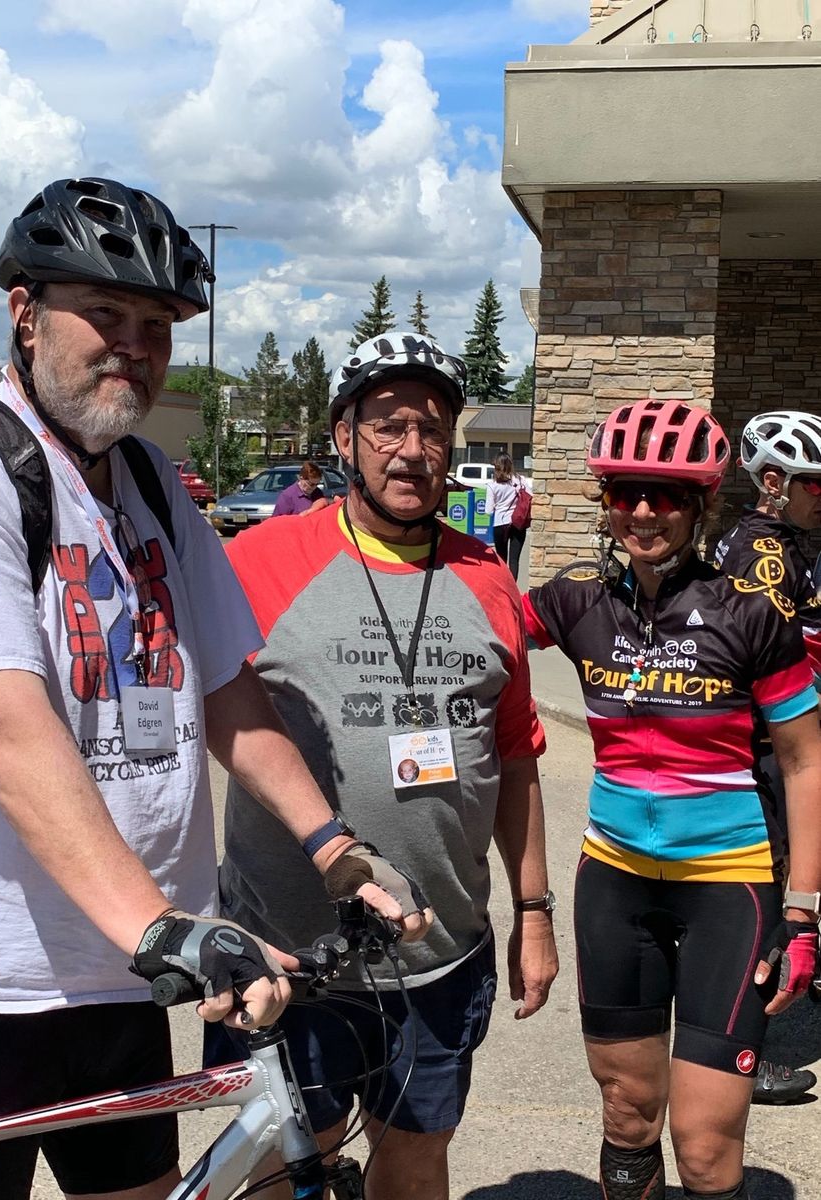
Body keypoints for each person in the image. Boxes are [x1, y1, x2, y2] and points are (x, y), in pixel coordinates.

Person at [0, 178, 425, 1200]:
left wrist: (334, 849)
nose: (135, 347)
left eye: (156, 326)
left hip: (125, 976)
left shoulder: (150, 481)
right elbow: (1, 726)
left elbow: (229, 692)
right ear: (24, 313)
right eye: (104, 314)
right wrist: (160, 925)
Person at [205, 331, 558, 1200]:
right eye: (389, 425)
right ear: (344, 436)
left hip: (441, 950)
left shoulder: (487, 577)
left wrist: (535, 913)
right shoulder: (257, 562)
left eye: (433, 428)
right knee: (285, 1165)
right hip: (290, 957)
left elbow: (516, 758)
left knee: (417, 1155)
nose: (413, 449)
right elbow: (206, 719)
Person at [520, 398, 821, 1200]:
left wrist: (803, 912)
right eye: (627, 492)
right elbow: (472, 630)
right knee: (627, 1114)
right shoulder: (578, 599)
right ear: (606, 500)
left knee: (706, 1144)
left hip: (728, 884)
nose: (646, 512)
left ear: (700, 505)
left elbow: (804, 761)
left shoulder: (749, 611)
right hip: (614, 881)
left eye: (668, 495)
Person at [713, 409, 821, 1104]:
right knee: (764, 903)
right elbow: (770, 669)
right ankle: (739, 1056)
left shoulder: (778, 542)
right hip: (764, 752)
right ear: (775, 482)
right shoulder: (765, 558)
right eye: (817, 483)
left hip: (772, 748)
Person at [484, 452, 529, 579]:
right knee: (514, 560)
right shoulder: (520, 480)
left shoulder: (492, 485)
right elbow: (529, 496)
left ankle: (503, 585)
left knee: (501, 559)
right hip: (518, 522)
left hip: (500, 523)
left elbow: (488, 511)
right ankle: (513, 587)